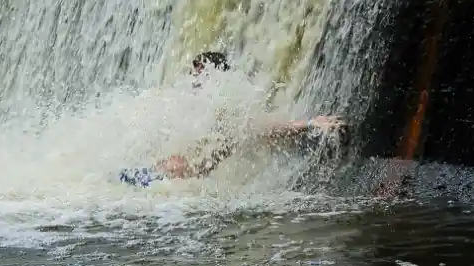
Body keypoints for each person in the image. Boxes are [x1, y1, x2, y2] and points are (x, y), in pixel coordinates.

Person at [119, 51, 348, 185]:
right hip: (146, 179)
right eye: (194, 76)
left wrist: (310, 124)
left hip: (163, 188)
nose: (195, 82)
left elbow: (266, 126)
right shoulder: (185, 106)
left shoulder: (226, 113)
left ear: (217, 79)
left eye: (201, 76)